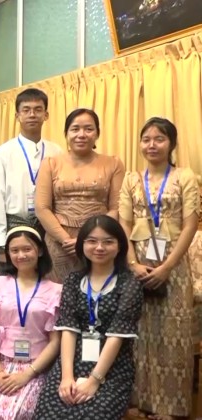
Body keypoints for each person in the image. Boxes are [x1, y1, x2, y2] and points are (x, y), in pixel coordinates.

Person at [120, 118, 199, 420]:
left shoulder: (185, 176)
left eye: (159, 139)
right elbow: (124, 223)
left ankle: (171, 407)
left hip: (174, 266)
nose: (152, 145)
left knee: (174, 334)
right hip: (138, 265)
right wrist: (132, 264)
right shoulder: (131, 179)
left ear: (172, 143)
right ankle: (140, 403)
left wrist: (167, 267)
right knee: (140, 336)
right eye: (146, 139)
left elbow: (190, 224)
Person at [33, 215, 144, 419]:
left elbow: (117, 337)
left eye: (108, 242)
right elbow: (68, 329)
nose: (99, 247)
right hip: (72, 360)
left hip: (111, 366)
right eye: (92, 241)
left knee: (93, 415)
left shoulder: (129, 284)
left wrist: (94, 380)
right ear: (82, 245)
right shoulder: (73, 280)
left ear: (120, 246)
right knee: (47, 414)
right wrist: (66, 377)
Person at [0, 226, 62, 420]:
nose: (21, 255)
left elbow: (55, 341)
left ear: (40, 251)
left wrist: (28, 374)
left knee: (18, 414)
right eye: (15, 250)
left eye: (27, 249)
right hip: (1, 362)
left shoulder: (55, 290)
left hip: (35, 366)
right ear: (8, 254)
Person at [35, 109, 125, 282]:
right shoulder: (50, 163)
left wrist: (89, 239)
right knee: (58, 293)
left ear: (97, 133)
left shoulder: (113, 163)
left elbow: (116, 207)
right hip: (60, 243)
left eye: (88, 129)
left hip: (99, 243)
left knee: (98, 290)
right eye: (75, 129)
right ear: (66, 133)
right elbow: (42, 208)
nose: (81, 134)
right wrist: (66, 240)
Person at [0, 88, 62, 273]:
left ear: (46, 115)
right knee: (12, 283)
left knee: (46, 280)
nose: (32, 115)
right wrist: (0, 243)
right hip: (14, 228)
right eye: (26, 110)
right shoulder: (2, 153)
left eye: (38, 110)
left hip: (47, 229)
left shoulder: (57, 152)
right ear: (17, 116)